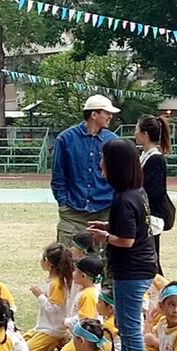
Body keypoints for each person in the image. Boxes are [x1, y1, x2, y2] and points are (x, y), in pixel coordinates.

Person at [87, 139, 158, 351]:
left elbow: (127, 240)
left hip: (132, 270)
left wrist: (105, 236)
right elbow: (136, 228)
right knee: (124, 322)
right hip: (141, 266)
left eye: (104, 159)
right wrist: (108, 227)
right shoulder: (136, 193)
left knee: (129, 327)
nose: (100, 164)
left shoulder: (124, 199)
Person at [50, 94, 120, 245]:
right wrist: (63, 203)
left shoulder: (113, 141)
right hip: (72, 212)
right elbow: (58, 175)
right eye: (107, 113)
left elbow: (119, 176)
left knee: (103, 262)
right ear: (94, 114)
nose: (110, 116)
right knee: (67, 261)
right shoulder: (66, 139)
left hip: (105, 211)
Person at [136, 114, 172, 272]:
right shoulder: (145, 155)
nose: (135, 133)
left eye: (137, 130)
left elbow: (155, 190)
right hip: (146, 213)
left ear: (145, 134)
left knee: (152, 260)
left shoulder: (155, 158)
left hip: (153, 214)